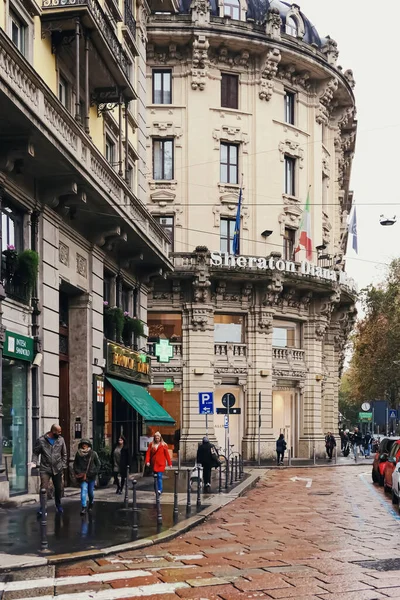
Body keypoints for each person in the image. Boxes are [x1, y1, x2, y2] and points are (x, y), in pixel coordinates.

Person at [32, 424, 67, 515]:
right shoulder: (41, 440)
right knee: (43, 488)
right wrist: (34, 462)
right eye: (58, 431)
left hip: (57, 468)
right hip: (45, 468)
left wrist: (63, 465)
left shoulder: (61, 440)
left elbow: (64, 454)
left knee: (58, 488)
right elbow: (35, 453)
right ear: (53, 431)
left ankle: (58, 504)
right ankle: (43, 507)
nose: (60, 433)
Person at [73, 439, 101, 515]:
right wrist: (78, 472)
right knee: (83, 491)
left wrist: (94, 472)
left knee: (90, 492)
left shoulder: (93, 454)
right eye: (83, 444)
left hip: (91, 476)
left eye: (86, 444)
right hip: (83, 476)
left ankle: (91, 503)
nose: (84, 445)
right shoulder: (78, 454)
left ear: (88, 445)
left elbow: (98, 464)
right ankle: (84, 507)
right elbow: (75, 464)